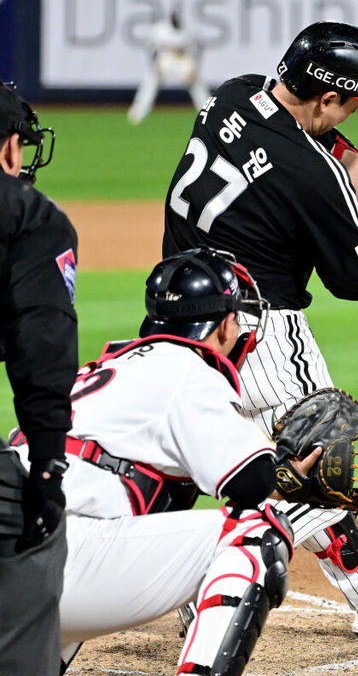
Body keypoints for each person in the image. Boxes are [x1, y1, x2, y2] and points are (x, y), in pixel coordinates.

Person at [162, 21, 358, 638]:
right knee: (314, 459)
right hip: (260, 332)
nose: (351, 116)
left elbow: (334, 148)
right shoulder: (310, 177)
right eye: (351, 104)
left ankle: (189, 589)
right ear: (327, 97)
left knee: (197, 459)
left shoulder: (235, 94)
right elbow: (357, 280)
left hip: (180, 312)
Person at [12, 247, 321, 675]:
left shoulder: (105, 370)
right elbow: (251, 482)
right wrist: (288, 470)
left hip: (22, 537)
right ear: (227, 322)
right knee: (257, 534)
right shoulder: (186, 368)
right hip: (58, 553)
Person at [0, 81, 77, 675]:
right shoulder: (30, 217)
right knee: (35, 536)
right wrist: (48, 466)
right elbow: (42, 346)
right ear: (8, 151)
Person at [128, 10, 210, 125]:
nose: (176, 22)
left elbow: (199, 48)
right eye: (173, 20)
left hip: (183, 60)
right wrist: (154, 66)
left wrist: (195, 68)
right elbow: (151, 49)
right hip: (165, 59)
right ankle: (138, 113)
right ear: (169, 21)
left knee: (197, 84)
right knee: (150, 81)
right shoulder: (159, 30)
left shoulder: (189, 30)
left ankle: (208, 114)